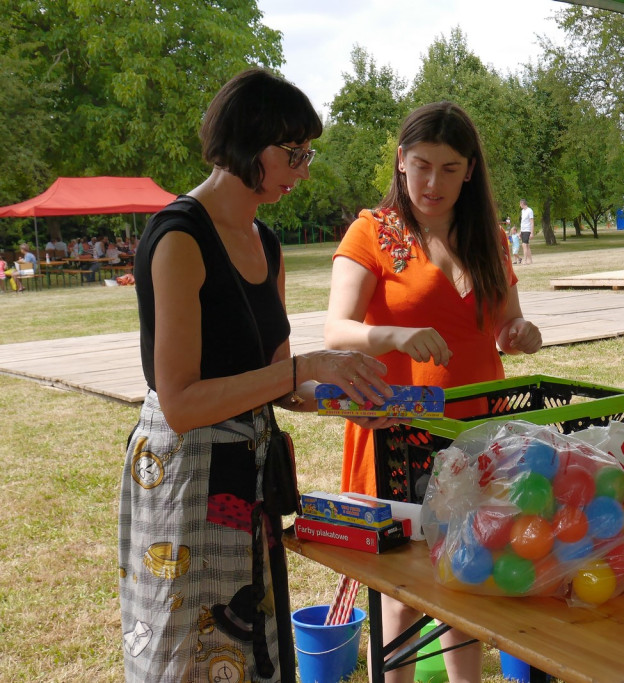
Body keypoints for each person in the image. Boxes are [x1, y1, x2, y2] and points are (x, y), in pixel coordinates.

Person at [118, 68, 395, 683]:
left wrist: (340, 400)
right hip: (185, 477)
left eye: (307, 153)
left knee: (251, 648)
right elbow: (182, 402)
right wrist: (307, 368)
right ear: (246, 146)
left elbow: (279, 379)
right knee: (185, 650)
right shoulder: (179, 239)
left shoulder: (265, 243)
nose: (303, 168)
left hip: (248, 475)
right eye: (292, 153)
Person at [324, 101, 543, 683]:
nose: (432, 182)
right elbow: (335, 330)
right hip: (399, 433)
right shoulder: (373, 231)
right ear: (400, 162)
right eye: (421, 165)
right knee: (401, 589)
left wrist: (521, 334)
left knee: (468, 571)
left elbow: (506, 326)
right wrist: (394, 333)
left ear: (470, 170)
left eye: (449, 168)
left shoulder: (489, 238)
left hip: (476, 431)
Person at [518, 198, 534, 264]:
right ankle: (530, 260)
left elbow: (532, 222)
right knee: (527, 246)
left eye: (520, 204)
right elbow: (522, 222)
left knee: (524, 245)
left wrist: (532, 233)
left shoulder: (529, 210)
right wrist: (520, 231)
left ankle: (525, 260)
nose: (519, 205)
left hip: (527, 230)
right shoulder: (522, 211)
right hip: (523, 230)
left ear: (522, 203)